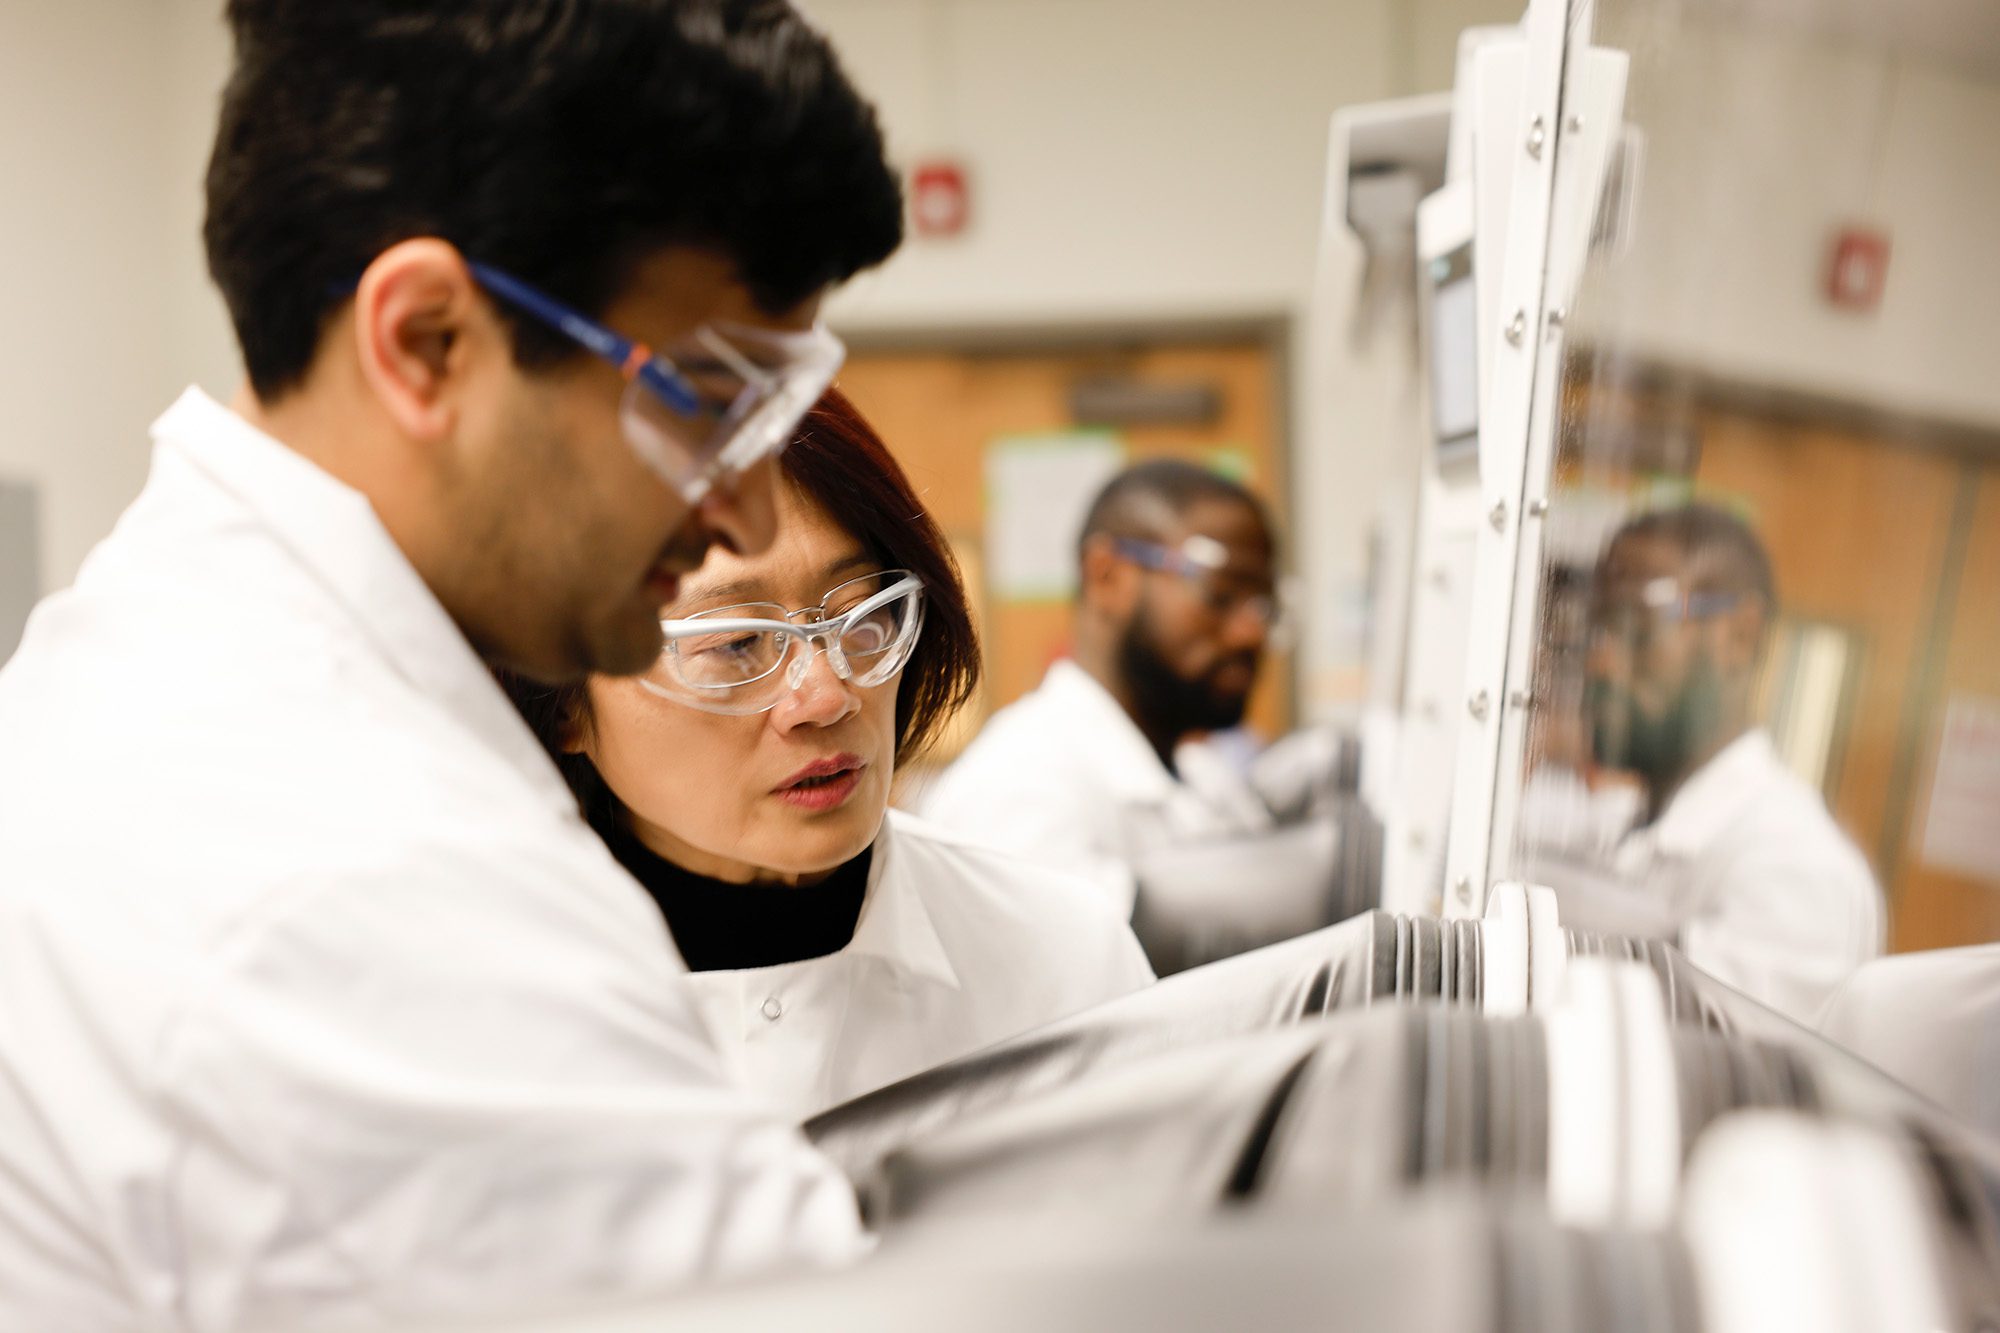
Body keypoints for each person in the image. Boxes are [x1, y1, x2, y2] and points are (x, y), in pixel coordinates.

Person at [0, 2, 905, 1327]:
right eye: (710, 404)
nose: (746, 511)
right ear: (426, 342)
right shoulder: (371, 887)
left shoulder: (118, 664)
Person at [505, 390, 1154, 1120]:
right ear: (564, 694)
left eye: (861, 618)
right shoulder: (472, 1006)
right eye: (737, 643)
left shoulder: (1060, 959)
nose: (827, 695)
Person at [923, 461, 1341, 962]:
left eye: (1264, 605)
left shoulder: (1201, 771)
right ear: (1108, 577)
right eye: (1221, 593)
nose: (1252, 632)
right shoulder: (1016, 788)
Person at [1530, 503, 1883, 1024]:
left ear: (1739, 637)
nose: (1599, 661)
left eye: (1636, 626)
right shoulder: (1623, 818)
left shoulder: (1799, 869)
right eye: (1596, 628)